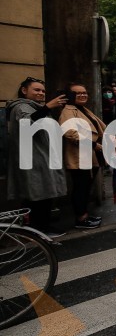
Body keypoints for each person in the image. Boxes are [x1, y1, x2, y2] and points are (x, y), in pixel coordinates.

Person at [6, 77, 68, 236]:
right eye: (36, 90)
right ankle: (38, 230)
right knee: (37, 196)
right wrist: (47, 107)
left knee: (44, 195)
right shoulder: (21, 107)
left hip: (43, 157)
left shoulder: (35, 107)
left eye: (43, 91)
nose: (41, 93)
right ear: (24, 90)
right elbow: (27, 125)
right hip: (34, 159)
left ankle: (42, 228)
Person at [59, 83, 106, 230]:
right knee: (81, 187)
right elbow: (69, 132)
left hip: (89, 156)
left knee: (85, 187)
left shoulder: (82, 109)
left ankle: (84, 215)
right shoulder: (68, 110)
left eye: (84, 92)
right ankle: (81, 219)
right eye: (78, 93)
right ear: (70, 96)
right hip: (79, 156)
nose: (82, 95)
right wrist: (92, 144)